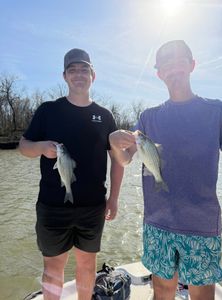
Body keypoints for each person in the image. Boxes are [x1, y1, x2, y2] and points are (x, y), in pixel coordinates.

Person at [109, 40, 222, 300]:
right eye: (165, 64)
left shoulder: (218, 111)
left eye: (179, 60)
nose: (173, 68)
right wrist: (115, 144)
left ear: (192, 65)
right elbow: (125, 158)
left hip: (202, 223)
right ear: (159, 73)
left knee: (203, 292)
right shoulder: (148, 118)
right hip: (158, 222)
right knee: (161, 289)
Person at [19, 48, 124, 300]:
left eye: (84, 69)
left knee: (87, 265)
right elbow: (23, 147)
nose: (79, 74)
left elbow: (117, 160)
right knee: (54, 268)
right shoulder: (48, 110)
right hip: (52, 206)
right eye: (73, 70)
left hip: (93, 207)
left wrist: (114, 198)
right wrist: (42, 148)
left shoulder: (105, 115)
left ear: (93, 75)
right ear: (64, 76)